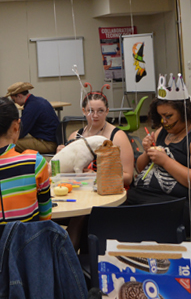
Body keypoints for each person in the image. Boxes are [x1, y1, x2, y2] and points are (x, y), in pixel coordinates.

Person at [128, 96, 191, 270]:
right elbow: (140, 168)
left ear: (185, 112)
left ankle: (156, 269)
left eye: (169, 116)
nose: (164, 122)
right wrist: (147, 152)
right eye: (161, 117)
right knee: (109, 210)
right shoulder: (162, 133)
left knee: (139, 217)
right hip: (152, 198)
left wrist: (166, 161)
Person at [57, 92, 134, 249]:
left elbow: (128, 177)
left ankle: (70, 258)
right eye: (91, 111)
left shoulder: (117, 137)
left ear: (107, 111)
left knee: (80, 215)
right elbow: (63, 173)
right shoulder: (76, 136)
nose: (95, 115)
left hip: (108, 195)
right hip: (80, 193)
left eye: (100, 111)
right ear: (84, 111)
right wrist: (61, 156)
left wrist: (99, 176)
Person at [6, 82, 60, 154]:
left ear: (19, 96)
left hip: (47, 143)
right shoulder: (37, 101)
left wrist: (6, 134)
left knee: (8, 143)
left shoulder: (31, 107)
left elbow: (21, 132)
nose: (15, 103)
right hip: (52, 140)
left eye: (14, 100)